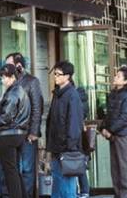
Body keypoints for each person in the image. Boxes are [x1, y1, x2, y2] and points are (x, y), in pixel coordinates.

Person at [0, 63, 31, 198]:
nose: (2, 80)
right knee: (15, 170)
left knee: (10, 171)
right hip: (18, 134)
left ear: (12, 77)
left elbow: (7, 117)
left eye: (4, 77)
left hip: (8, 135)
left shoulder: (13, 92)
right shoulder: (20, 90)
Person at [5, 53, 44, 198]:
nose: (6, 67)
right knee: (13, 168)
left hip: (27, 133)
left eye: (9, 64)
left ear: (18, 65)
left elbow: (37, 107)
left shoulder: (31, 81)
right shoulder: (9, 82)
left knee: (27, 169)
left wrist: (33, 131)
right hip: (11, 133)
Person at [46, 61, 84, 198]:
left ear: (67, 76)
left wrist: (70, 148)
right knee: (57, 185)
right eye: (54, 74)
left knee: (67, 187)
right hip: (56, 147)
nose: (55, 77)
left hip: (67, 150)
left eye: (58, 74)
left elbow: (74, 125)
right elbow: (52, 122)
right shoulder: (57, 94)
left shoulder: (72, 95)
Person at [100, 66, 127, 198]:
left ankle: (126, 194)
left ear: (126, 81)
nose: (115, 77)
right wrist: (103, 128)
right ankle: (118, 194)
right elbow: (108, 114)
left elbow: (125, 117)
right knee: (115, 167)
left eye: (119, 76)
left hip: (124, 135)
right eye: (116, 75)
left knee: (124, 166)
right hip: (113, 134)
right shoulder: (113, 94)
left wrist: (109, 130)